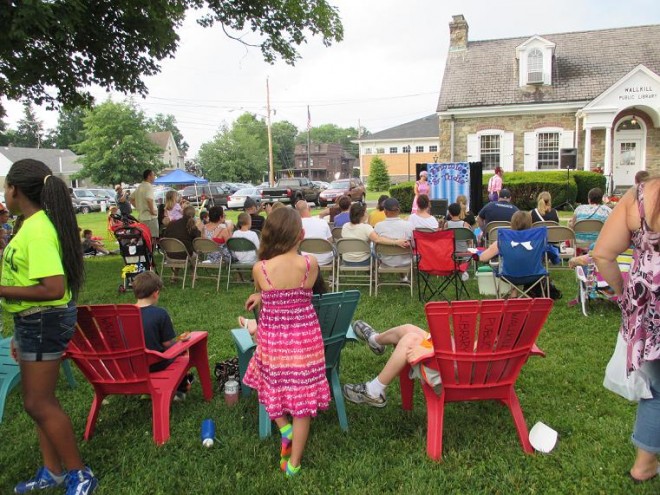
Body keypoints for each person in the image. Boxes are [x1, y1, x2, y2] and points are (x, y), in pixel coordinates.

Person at [0, 159, 98, 494]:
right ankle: (52, 470)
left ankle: (79, 473)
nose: (4, 193)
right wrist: (18, 326)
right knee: (39, 400)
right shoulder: (30, 225)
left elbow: (54, 288)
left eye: (5, 187)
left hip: (44, 318)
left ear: (15, 189)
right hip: (32, 319)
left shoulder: (38, 230)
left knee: (38, 402)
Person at [242, 207, 331, 477]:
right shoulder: (310, 264)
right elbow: (301, 290)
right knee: (303, 403)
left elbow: (272, 289)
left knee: (264, 382)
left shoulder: (261, 269)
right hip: (305, 340)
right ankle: (294, 464)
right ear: (300, 234)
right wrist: (263, 296)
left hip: (274, 340)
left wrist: (261, 296)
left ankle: (284, 427)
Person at [592, 178, 660, 483]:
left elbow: (603, 255)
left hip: (648, 305)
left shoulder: (642, 195)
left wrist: (623, 293)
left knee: (657, 388)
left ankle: (645, 463)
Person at [132, 271, 194, 401]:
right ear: (156, 293)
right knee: (181, 353)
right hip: (155, 364)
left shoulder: (122, 314)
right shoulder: (160, 314)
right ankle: (181, 390)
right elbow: (167, 344)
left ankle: (146, 390)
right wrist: (181, 343)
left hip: (131, 366)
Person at [343, 320, 429, 408]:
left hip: (440, 370)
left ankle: (373, 392)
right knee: (408, 329)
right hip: (439, 352)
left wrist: (430, 351)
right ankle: (375, 340)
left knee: (411, 339)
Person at [341, 203, 410, 267]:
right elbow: (378, 239)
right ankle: (374, 275)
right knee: (375, 250)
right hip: (363, 261)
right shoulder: (366, 228)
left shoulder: (345, 226)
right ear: (362, 214)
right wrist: (396, 242)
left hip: (346, 260)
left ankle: (373, 275)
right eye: (366, 212)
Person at [374, 198, 413, 268]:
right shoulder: (409, 225)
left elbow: (375, 245)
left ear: (385, 211)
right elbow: (413, 245)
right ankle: (404, 277)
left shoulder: (378, 226)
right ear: (399, 210)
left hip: (385, 260)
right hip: (406, 260)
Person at [295, 200, 333, 266]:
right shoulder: (322, 222)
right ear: (309, 208)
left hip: (306, 260)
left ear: (297, 212)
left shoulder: (296, 225)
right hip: (325, 258)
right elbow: (330, 240)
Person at [132, 169, 159, 243]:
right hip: (150, 217)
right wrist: (152, 211)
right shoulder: (148, 186)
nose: (154, 177)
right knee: (152, 237)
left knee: (143, 236)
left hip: (142, 217)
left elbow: (131, 199)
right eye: (153, 175)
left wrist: (138, 207)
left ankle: (145, 252)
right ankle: (151, 253)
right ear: (149, 176)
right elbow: (149, 199)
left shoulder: (140, 186)